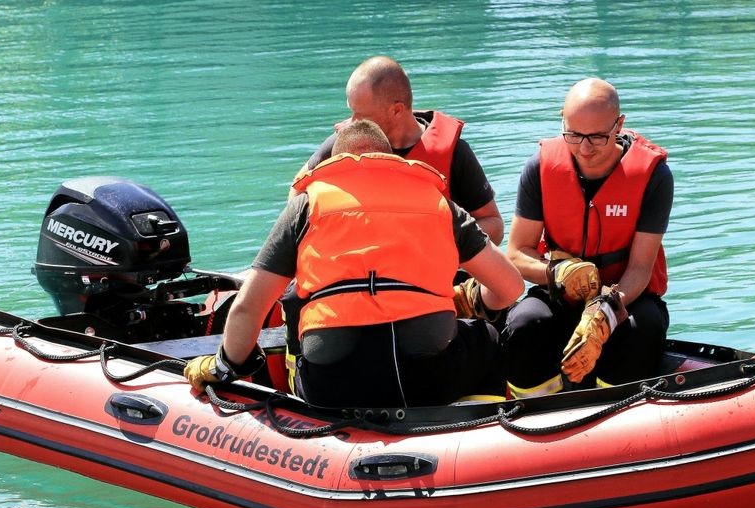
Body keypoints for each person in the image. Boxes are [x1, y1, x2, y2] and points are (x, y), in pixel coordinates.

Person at [187, 120, 524, 408]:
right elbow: (510, 288)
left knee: (294, 305)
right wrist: (469, 299)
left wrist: (222, 366)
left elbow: (249, 308)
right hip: (427, 381)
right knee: (487, 338)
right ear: (388, 157)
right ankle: (472, 440)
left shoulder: (305, 206)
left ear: (337, 162)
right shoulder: (439, 205)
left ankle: (306, 433)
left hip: (332, 389)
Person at [502, 78, 674, 397]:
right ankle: (535, 410)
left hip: (627, 297)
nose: (584, 148)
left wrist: (605, 310)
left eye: (597, 137)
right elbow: (516, 252)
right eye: (574, 134)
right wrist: (557, 274)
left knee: (643, 328)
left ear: (619, 124)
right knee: (524, 322)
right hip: (560, 296)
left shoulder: (654, 177)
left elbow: (640, 268)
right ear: (562, 121)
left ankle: (616, 406)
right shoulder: (539, 168)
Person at [291, 55, 505, 245]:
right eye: (352, 111)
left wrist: (438, 241)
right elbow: (297, 192)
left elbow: (494, 225)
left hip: (437, 273)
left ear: (397, 110)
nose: (353, 123)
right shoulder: (346, 142)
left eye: (362, 115)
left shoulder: (454, 153)